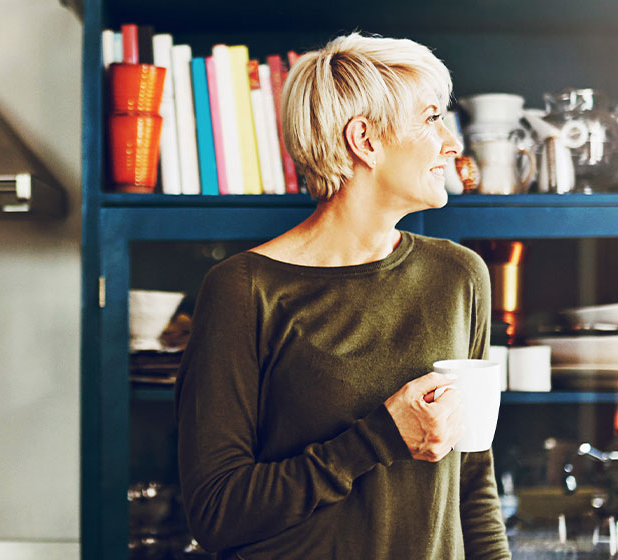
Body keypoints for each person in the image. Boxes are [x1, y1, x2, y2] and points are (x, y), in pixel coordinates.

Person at [174, 32, 509, 559]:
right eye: (430, 118)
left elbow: (472, 479)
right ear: (366, 140)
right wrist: (378, 437)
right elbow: (217, 512)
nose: (451, 142)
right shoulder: (243, 289)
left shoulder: (459, 275)